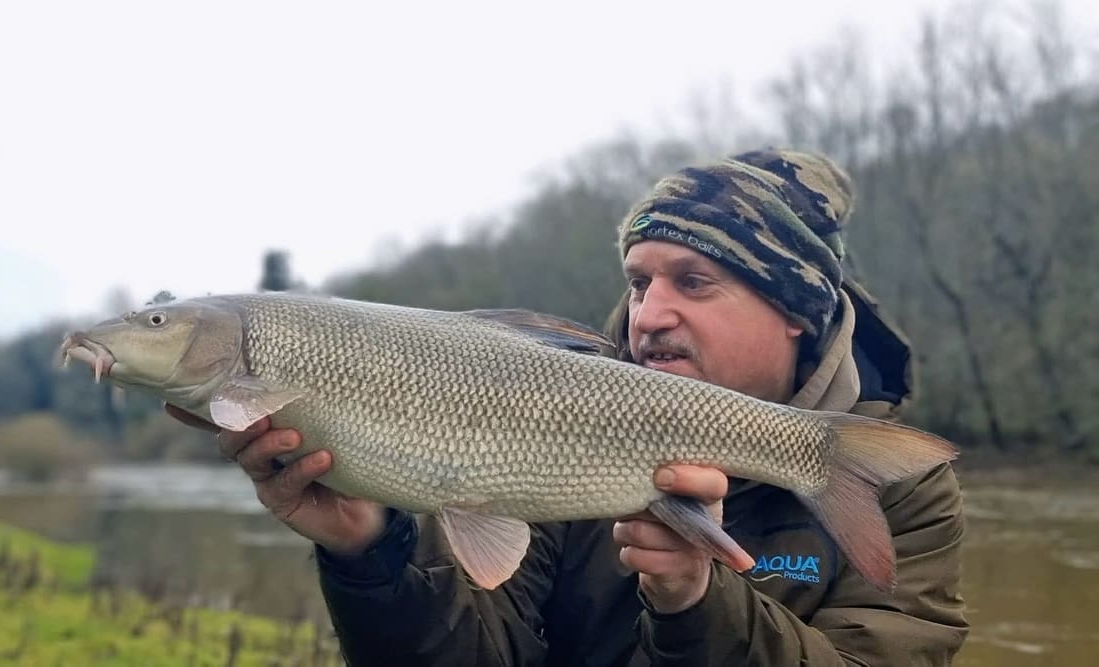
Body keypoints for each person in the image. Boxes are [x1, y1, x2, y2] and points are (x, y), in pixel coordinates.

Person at [167, 148, 969, 665]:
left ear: (797, 310)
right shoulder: (550, 418)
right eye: (638, 280)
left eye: (693, 282)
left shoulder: (899, 481)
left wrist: (697, 600)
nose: (650, 313)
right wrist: (372, 554)